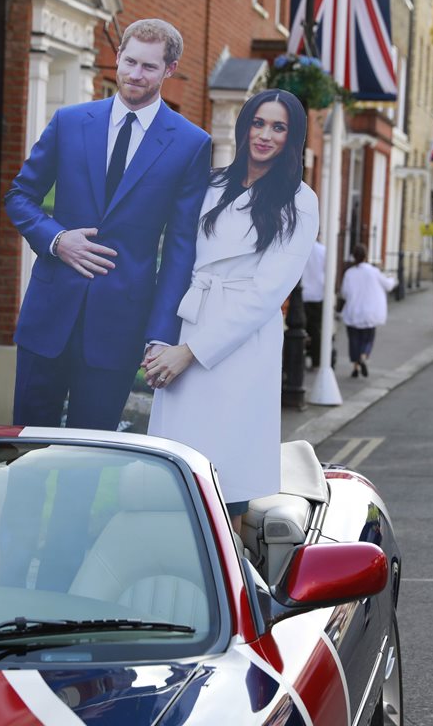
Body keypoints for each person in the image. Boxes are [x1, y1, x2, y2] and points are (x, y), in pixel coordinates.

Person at [4, 19, 211, 429]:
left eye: (149, 67)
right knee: (23, 447)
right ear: (117, 57)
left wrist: (160, 333)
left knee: (93, 457)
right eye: (129, 61)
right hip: (48, 315)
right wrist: (57, 239)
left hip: (120, 326)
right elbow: (19, 197)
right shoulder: (69, 121)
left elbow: (180, 246)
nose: (135, 74)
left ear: (169, 70)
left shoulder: (191, 144)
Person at [144, 90, 318, 530]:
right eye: (258, 123)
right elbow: (175, 259)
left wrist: (191, 352)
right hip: (189, 321)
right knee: (176, 481)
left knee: (226, 485)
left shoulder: (299, 199)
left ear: (291, 136)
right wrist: (162, 339)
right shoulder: (211, 182)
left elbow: (265, 293)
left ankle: (230, 586)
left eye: (278, 127)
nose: (265, 135)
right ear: (244, 126)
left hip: (239, 346)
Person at [339, 244, 398, 378]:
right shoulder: (373, 271)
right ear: (366, 256)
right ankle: (364, 356)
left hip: (353, 312)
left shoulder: (349, 273)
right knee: (368, 339)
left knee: (354, 340)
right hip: (370, 313)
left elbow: (344, 293)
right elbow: (388, 286)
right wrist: (392, 278)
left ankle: (355, 367)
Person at [300, 239, 326, 367]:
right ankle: (316, 360)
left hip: (302, 294)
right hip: (317, 294)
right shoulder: (323, 250)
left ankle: (300, 358)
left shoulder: (301, 248)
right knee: (316, 329)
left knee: (300, 328)